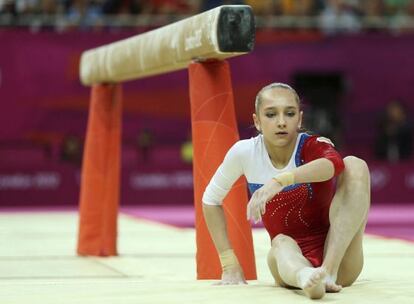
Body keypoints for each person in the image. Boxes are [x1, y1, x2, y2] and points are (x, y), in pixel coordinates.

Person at [202, 83, 370, 299]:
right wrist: (229, 264)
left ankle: (327, 272)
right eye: (271, 114)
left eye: (289, 114)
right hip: (287, 262)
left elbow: (334, 164)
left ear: (299, 119)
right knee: (281, 241)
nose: (281, 122)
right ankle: (306, 278)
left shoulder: (311, 145)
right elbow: (210, 199)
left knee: (355, 164)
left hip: (339, 258)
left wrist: (280, 181)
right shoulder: (245, 153)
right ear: (257, 121)